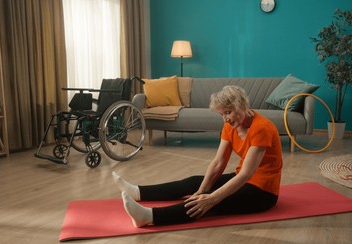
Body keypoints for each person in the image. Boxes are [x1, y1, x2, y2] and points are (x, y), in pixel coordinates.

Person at [113, 85, 283, 227]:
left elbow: (246, 174)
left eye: (228, 112)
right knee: (195, 182)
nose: (225, 119)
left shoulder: (261, 128)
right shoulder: (230, 126)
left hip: (263, 192)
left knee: (211, 202)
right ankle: (138, 192)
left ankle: (149, 217)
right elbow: (218, 163)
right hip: (243, 178)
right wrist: (202, 190)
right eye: (221, 114)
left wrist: (211, 198)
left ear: (242, 106)